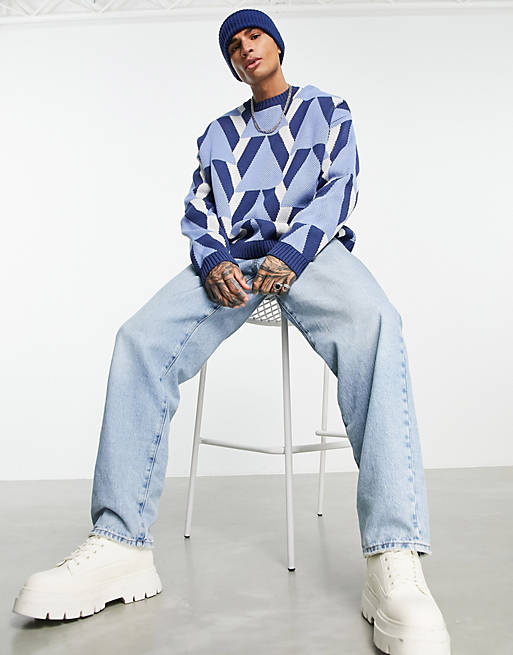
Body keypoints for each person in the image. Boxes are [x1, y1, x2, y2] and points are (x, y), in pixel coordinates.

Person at [12, 7, 451, 654]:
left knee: (378, 324)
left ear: (277, 44)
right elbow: (198, 210)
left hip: (311, 254)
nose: (246, 47)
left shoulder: (326, 109)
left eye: (255, 35)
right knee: (139, 339)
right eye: (234, 44)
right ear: (230, 64)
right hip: (233, 265)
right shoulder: (216, 134)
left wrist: (294, 251)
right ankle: (120, 543)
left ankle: (394, 557)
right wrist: (213, 259)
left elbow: (339, 187)